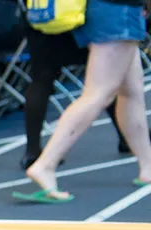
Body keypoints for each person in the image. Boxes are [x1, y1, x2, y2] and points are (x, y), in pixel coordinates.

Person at [17, 0, 151, 202]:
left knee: (131, 89)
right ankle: (45, 165)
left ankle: (148, 166)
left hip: (110, 10)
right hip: (118, 11)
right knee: (98, 93)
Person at [19, 21, 129, 170]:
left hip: (42, 16)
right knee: (104, 81)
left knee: (41, 79)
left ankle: (32, 151)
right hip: (78, 19)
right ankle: (125, 136)